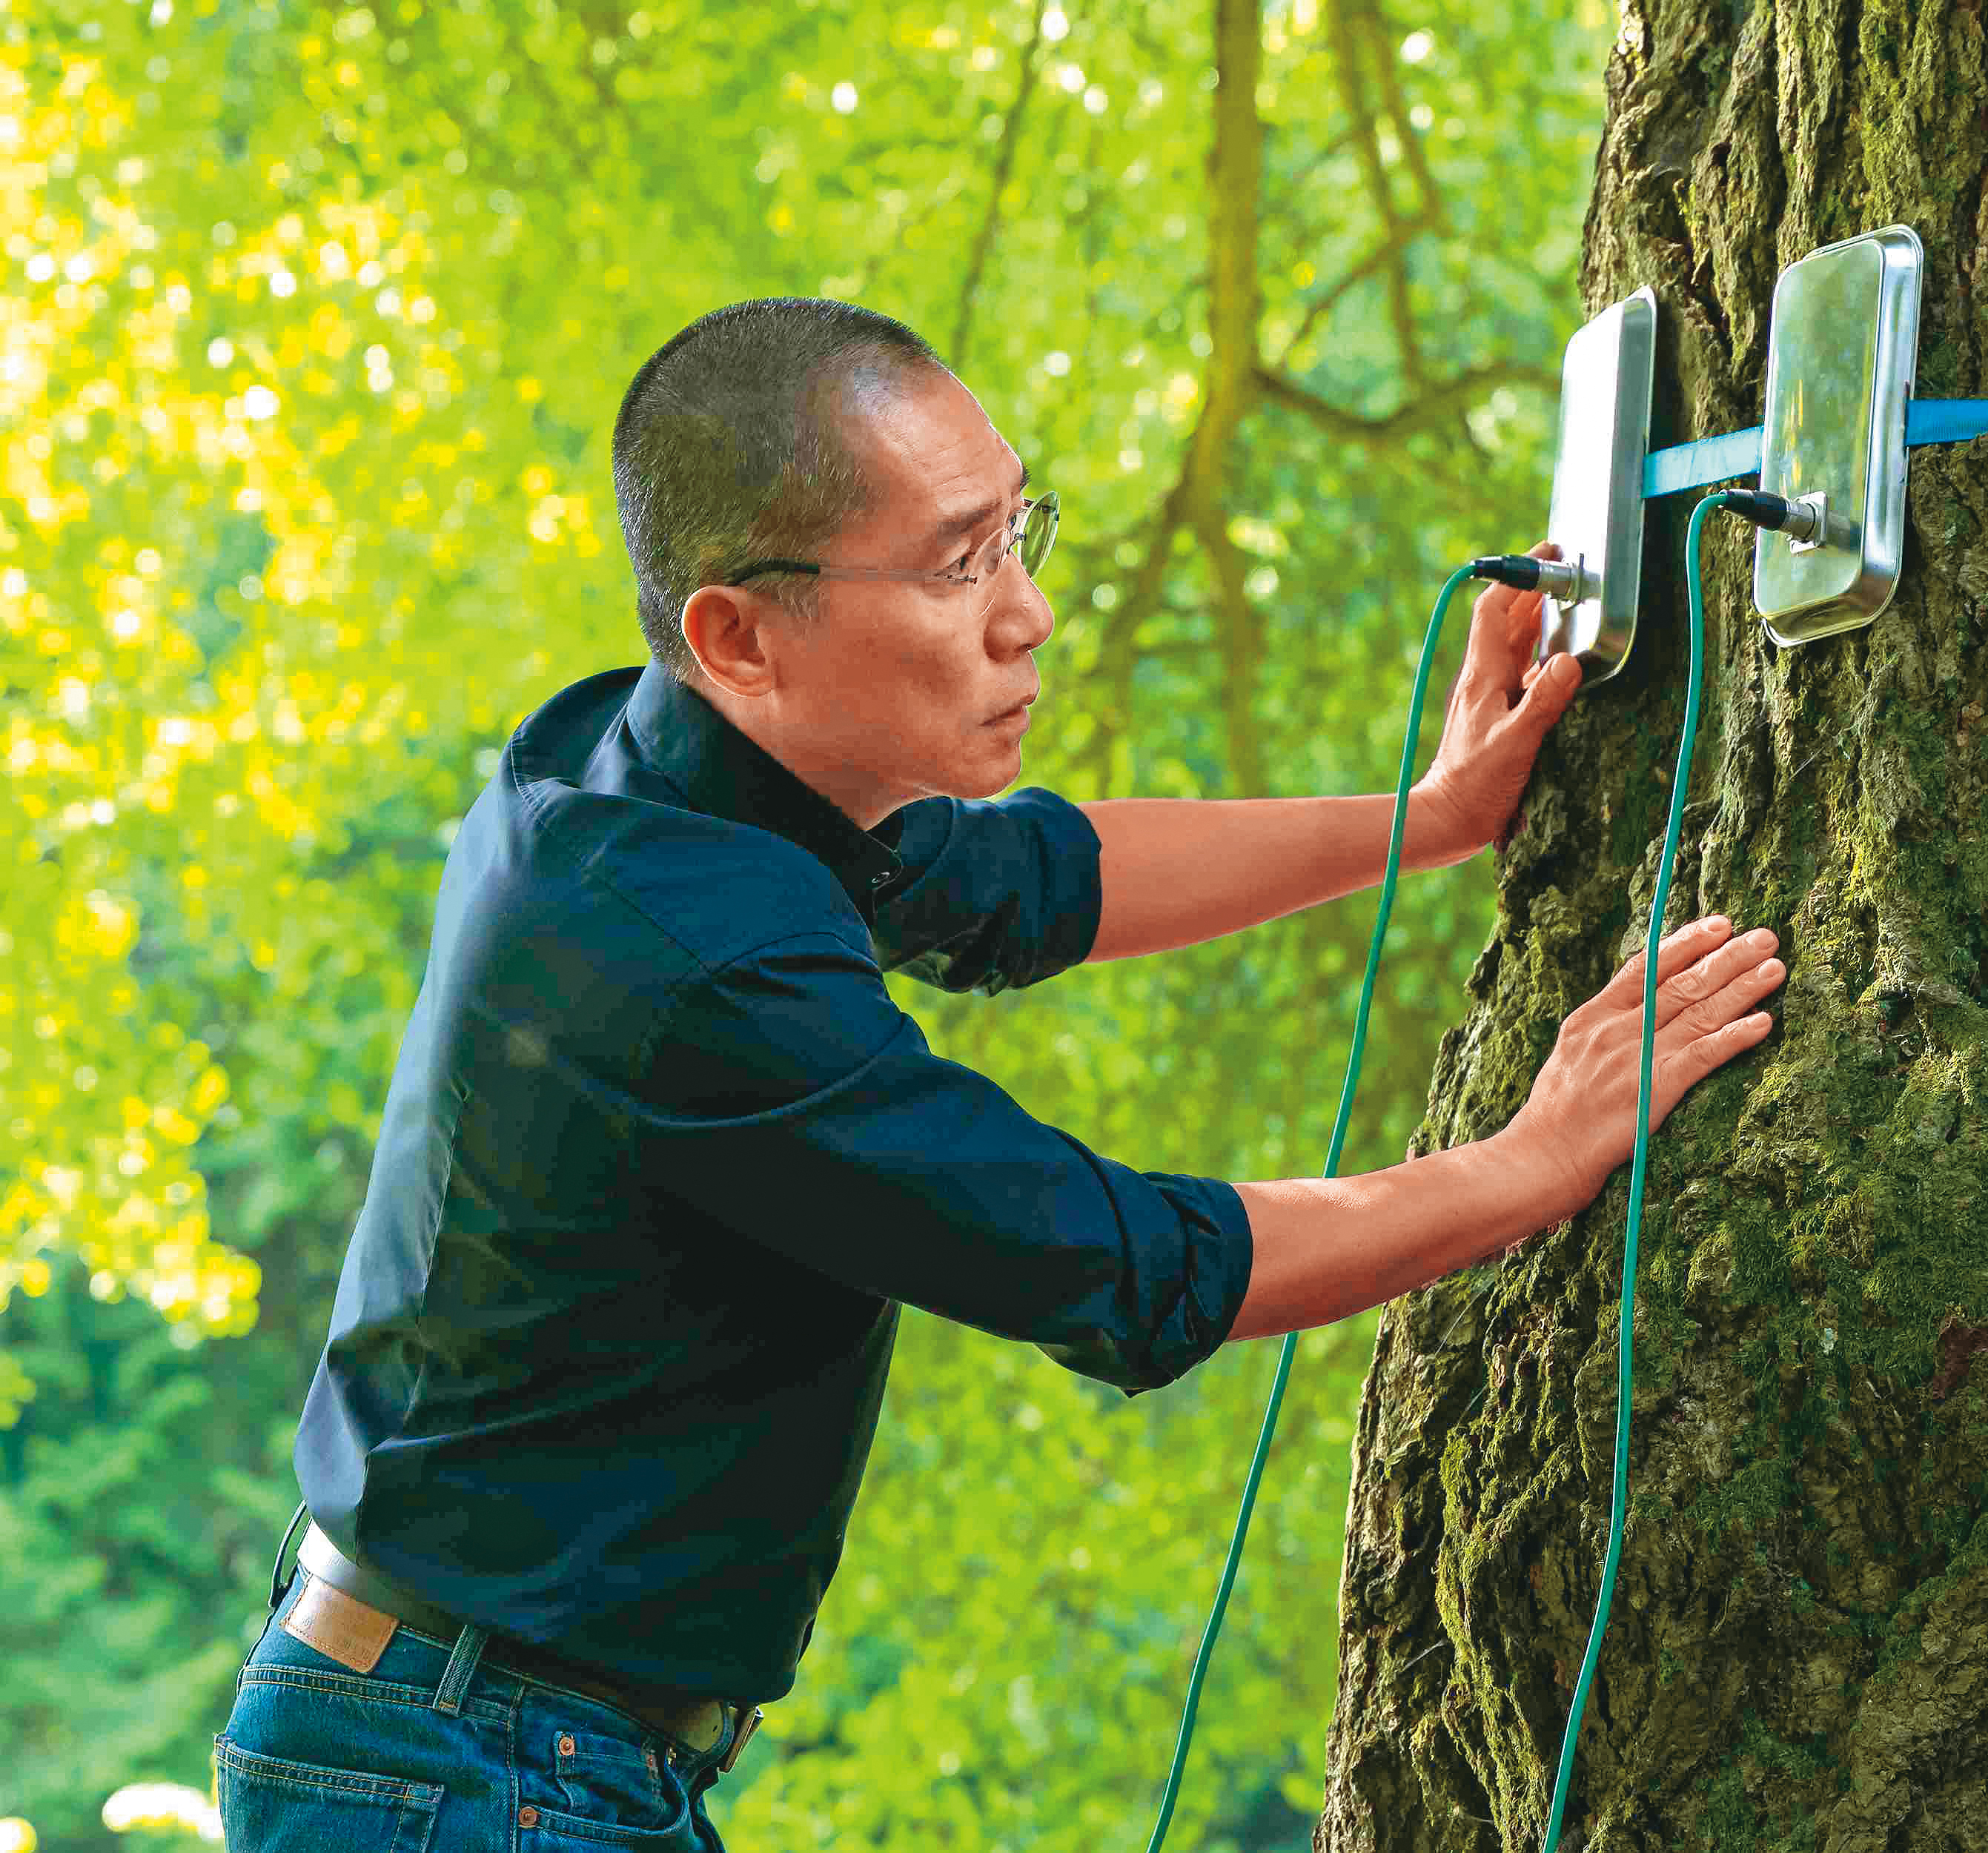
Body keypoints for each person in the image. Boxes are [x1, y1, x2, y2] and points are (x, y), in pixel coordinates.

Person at [209, 297, 1786, 1851]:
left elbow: (1034, 880)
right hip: (465, 1769)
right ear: (736, 634)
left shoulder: (655, 771)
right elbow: (1112, 1256)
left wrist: (1426, 819)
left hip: (488, 1738)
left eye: (1017, 529)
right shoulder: (687, 962)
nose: (1026, 612)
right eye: (959, 565)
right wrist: (1535, 1156)